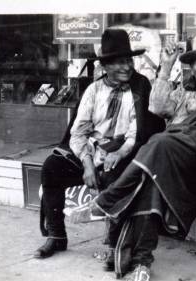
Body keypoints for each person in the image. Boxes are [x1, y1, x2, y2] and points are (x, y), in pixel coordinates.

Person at [92, 33, 196, 281]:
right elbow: (157, 108)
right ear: (191, 67)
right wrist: (166, 67)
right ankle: (142, 263)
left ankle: (110, 202)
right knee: (152, 183)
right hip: (166, 165)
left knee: (160, 142)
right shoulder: (183, 91)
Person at [33, 29, 163, 259]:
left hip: (125, 152)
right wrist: (87, 164)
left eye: (129, 61)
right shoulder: (93, 90)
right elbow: (78, 131)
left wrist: (119, 153)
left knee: (117, 177)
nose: (126, 67)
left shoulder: (140, 86)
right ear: (105, 66)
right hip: (92, 152)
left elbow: (137, 131)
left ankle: (115, 246)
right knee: (51, 168)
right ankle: (56, 236)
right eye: (119, 63)